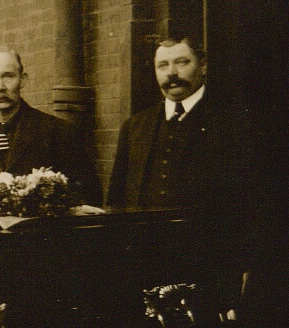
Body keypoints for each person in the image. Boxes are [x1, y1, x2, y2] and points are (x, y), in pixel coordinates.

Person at [106, 36, 256, 308]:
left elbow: (250, 202)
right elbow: (116, 198)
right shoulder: (136, 126)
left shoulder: (233, 123)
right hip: (144, 264)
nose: (171, 73)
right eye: (162, 65)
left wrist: (244, 265)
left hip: (208, 265)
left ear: (203, 65)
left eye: (181, 62)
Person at [0, 46, 102, 205]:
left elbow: (89, 195)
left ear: (23, 79)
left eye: (8, 76)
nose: (0, 86)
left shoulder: (59, 132)